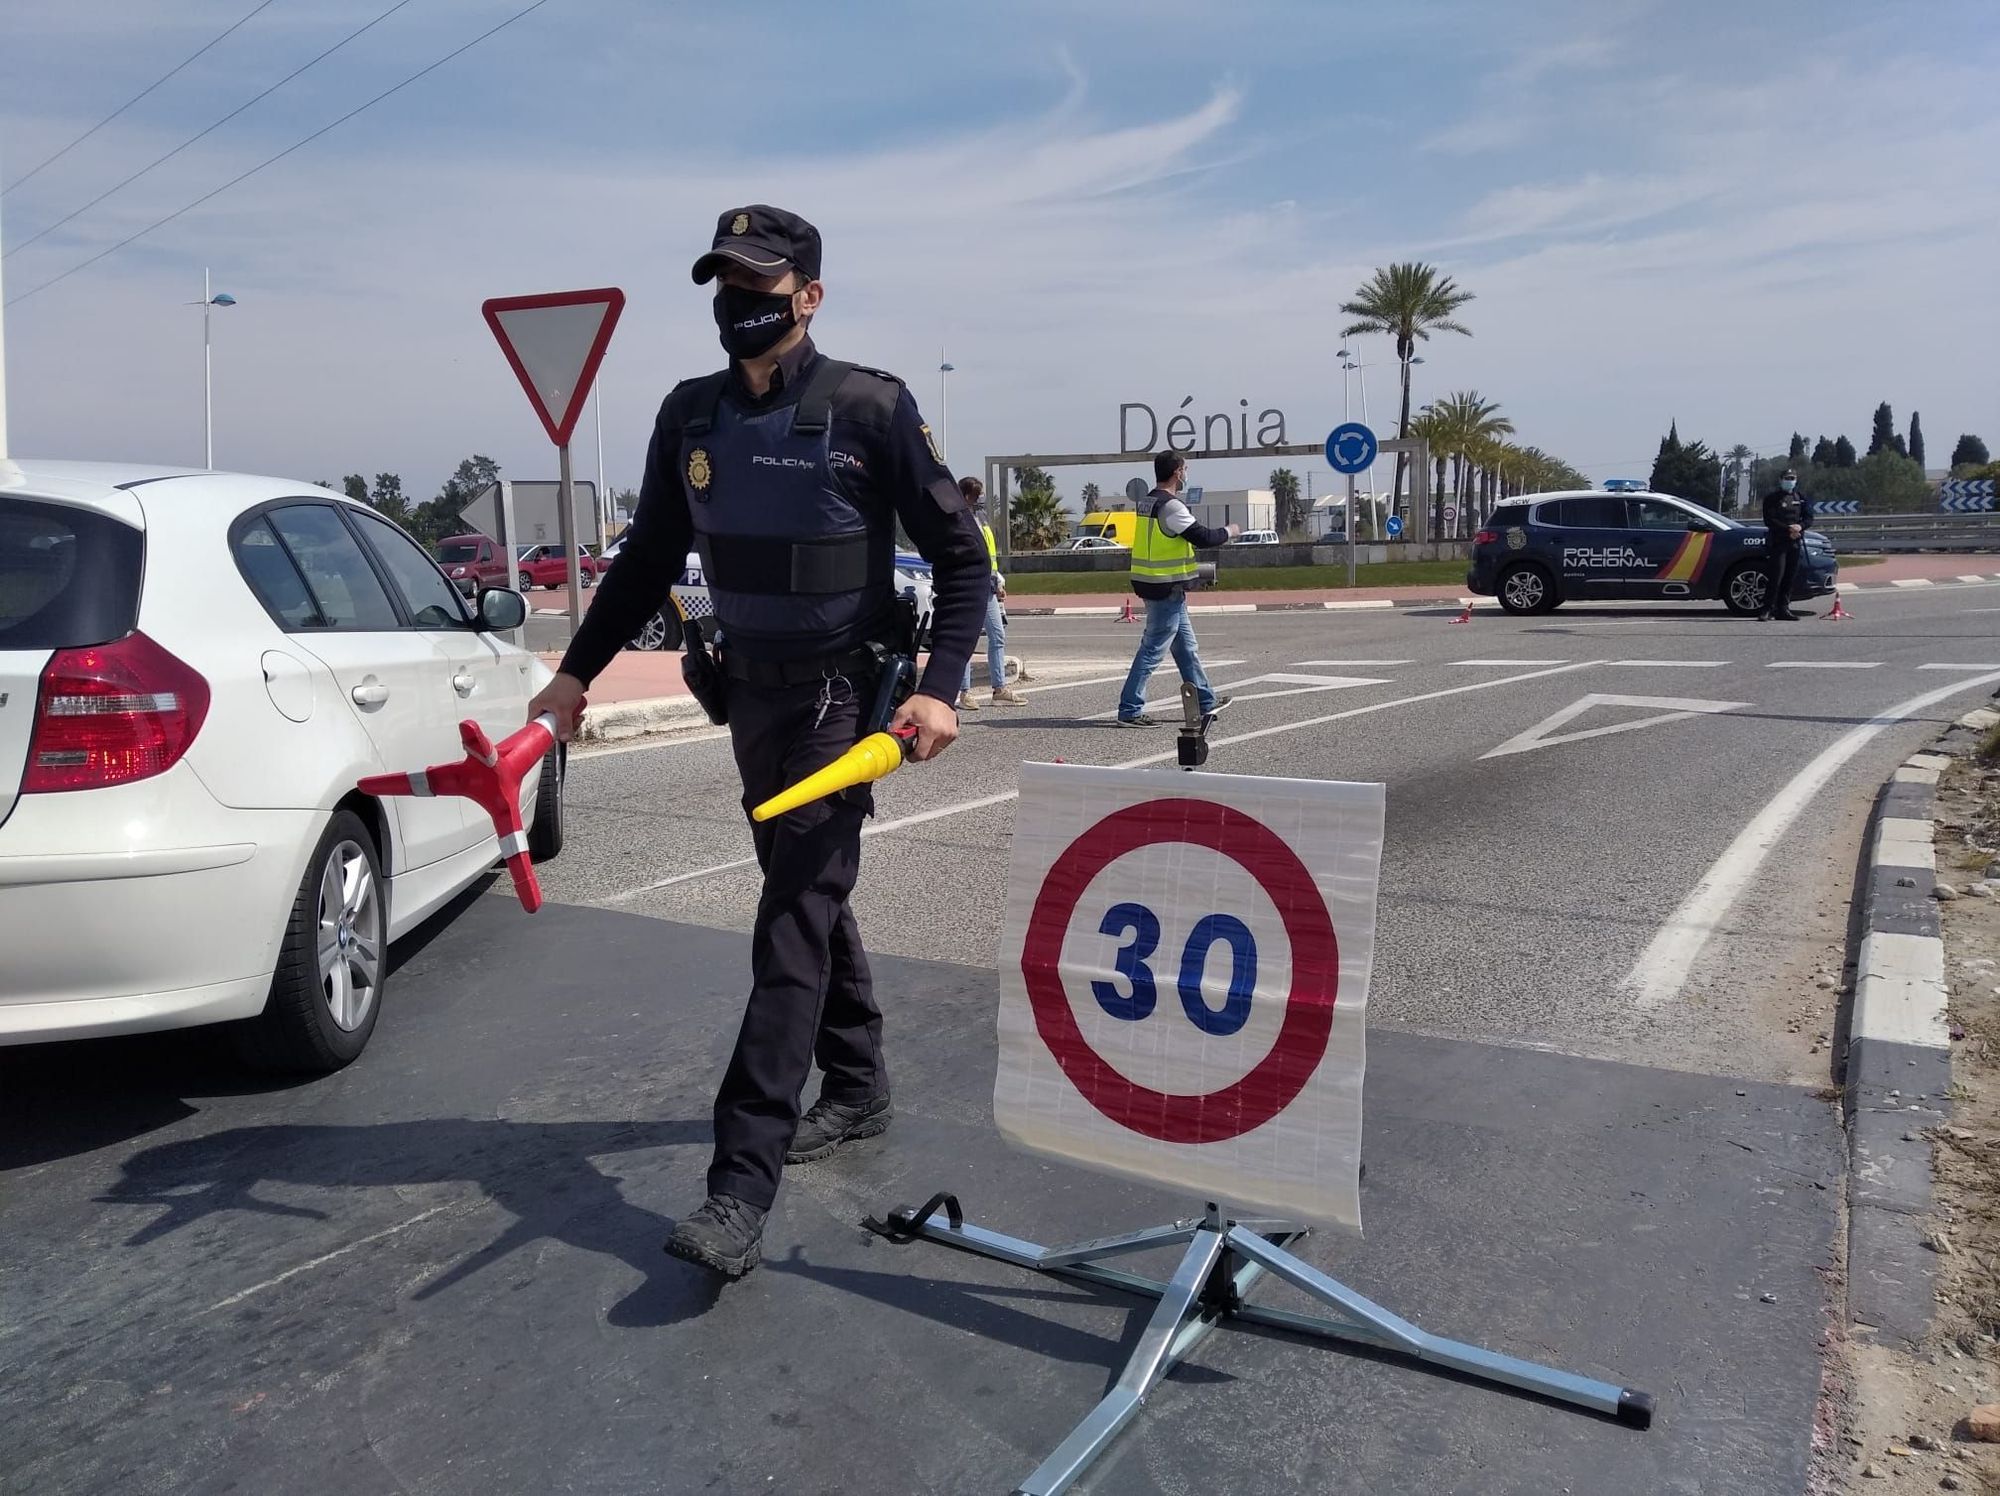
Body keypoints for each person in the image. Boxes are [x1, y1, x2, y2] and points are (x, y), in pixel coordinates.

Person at [526, 205, 987, 1278]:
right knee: (808, 895)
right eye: (725, 285)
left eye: (761, 287)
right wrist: (571, 674)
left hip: (843, 705)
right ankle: (860, 1081)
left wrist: (940, 686)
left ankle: (739, 1184)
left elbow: (961, 562)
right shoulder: (691, 417)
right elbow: (644, 562)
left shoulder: (870, 408)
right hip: (749, 700)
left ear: (808, 297)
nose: (738, 306)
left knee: (788, 918)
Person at [1115, 451, 1237, 726]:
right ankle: (1129, 709)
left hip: (1156, 583)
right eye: (1185, 469)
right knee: (1153, 649)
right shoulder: (1171, 507)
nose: (1186, 473)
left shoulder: (1146, 502)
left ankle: (1205, 700)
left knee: (1186, 647)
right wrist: (1230, 530)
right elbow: (1203, 537)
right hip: (1165, 586)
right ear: (1177, 473)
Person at [956, 476, 1025, 711]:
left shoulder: (981, 520)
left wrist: (999, 581)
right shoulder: (959, 521)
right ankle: (964, 692)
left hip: (989, 587)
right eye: (977, 496)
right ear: (966, 497)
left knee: (997, 635)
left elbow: (990, 557)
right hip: (971, 586)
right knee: (969, 640)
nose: (981, 500)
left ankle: (999, 689)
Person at [1759, 466, 1814, 621]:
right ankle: (1767, 609)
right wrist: (1788, 529)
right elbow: (1769, 520)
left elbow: (1809, 518)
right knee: (1776, 576)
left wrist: (1800, 527)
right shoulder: (1772, 499)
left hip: (1795, 542)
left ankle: (1783, 608)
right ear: (1780, 480)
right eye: (1786, 479)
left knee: (1789, 577)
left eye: (1792, 479)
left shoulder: (1801, 497)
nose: (1789, 481)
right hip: (1778, 542)